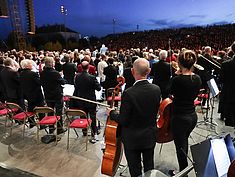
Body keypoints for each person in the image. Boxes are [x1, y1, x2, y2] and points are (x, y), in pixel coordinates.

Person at [108, 58, 161, 177]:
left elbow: (124, 120)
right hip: (149, 135)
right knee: (149, 167)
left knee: (135, 169)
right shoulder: (156, 89)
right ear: (149, 71)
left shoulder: (128, 93)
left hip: (132, 139)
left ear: (132, 71)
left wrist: (111, 113)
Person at [168, 50, 201, 176]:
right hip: (192, 117)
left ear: (179, 63)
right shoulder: (197, 78)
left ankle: (183, 173)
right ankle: (183, 170)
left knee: (180, 148)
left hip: (180, 118)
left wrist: (175, 75)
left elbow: (167, 91)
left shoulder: (177, 80)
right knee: (183, 143)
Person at [73, 61, 101, 143]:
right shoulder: (92, 77)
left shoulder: (77, 77)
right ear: (88, 67)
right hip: (90, 100)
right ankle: (93, 133)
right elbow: (98, 88)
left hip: (81, 100)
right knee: (92, 117)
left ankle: (84, 131)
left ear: (81, 67)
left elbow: (76, 87)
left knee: (83, 116)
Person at [40, 57, 67, 134]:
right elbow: (63, 82)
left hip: (47, 95)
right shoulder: (55, 73)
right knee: (59, 112)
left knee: (50, 112)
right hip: (57, 95)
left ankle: (51, 128)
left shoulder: (42, 73)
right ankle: (59, 128)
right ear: (52, 64)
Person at [19, 59, 44, 128]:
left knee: (30, 109)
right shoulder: (33, 74)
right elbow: (39, 83)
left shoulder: (20, 74)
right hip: (36, 95)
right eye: (30, 64)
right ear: (27, 66)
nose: (32, 65)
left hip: (27, 94)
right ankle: (42, 124)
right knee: (41, 109)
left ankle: (31, 122)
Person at [219, 41, 235, 126]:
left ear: (232, 50)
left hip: (230, 96)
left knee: (231, 121)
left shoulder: (226, 64)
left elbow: (221, 80)